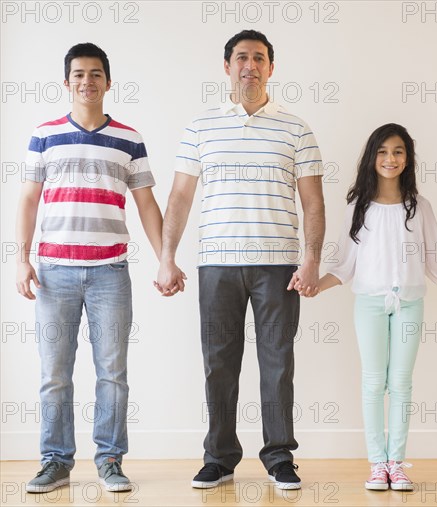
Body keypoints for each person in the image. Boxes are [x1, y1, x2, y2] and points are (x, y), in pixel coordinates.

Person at [156, 29, 325, 490]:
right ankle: (220, 457)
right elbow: (179, 199)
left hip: (278, 264)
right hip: (217, 264)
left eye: (259, 58)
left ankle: (278, 456)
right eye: (241, 58)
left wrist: (310, 260)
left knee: (278, 362)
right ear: (227, 66)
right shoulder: (200, 127)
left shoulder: (297, 128)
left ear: (271, 68)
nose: (250, 65)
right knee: (219, 362)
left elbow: (313, 203)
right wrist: (166, 258)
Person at [15, 43, 163, 493]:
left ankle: (111, 459)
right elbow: (27, 198)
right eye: (78, 74)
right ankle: (56, 461)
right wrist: (21, 259)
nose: (87, 81)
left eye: (95, 74)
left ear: (108, 82)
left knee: (112, 373)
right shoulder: (44, 135)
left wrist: (166, 260)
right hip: (54, 274)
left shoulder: (129, 139)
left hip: (110, 274)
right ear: (67, 82)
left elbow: (146, 204)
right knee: (54, 374)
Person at [313, 123, 437, 491]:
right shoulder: (359, 208)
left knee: (400, 383)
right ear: (372, 157)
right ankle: (376, 464)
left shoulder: (420, 208)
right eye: (383, 151)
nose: (390, 158)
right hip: (369, 304)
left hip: (409, 304)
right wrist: (314, 286)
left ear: (408, 158)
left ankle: (396, 464)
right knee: (374, 383)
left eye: (398, 151)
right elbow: (342, 268)